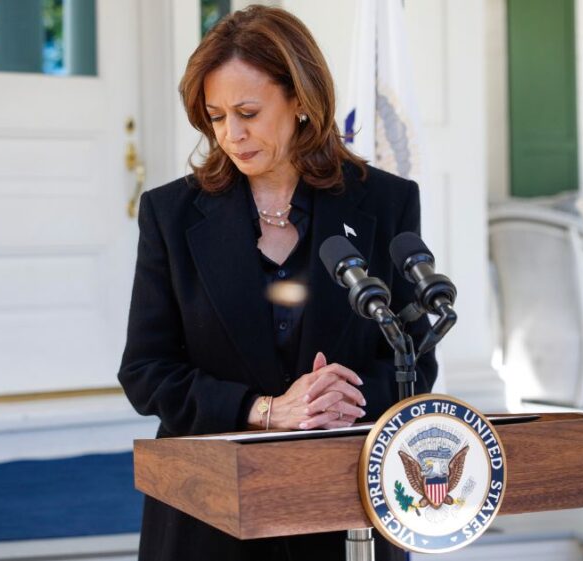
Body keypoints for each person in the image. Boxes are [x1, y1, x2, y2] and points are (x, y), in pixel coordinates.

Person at [117, 5, 437, 561]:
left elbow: (415, 360)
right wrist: (264, 409)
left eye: (248, 111)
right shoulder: (170, 213)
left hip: (346, 507)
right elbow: (146, 372)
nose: (232, 136)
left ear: (300, 100)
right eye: (216, 117)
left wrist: (337, 402)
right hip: (209, 517)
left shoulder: (386, 201)